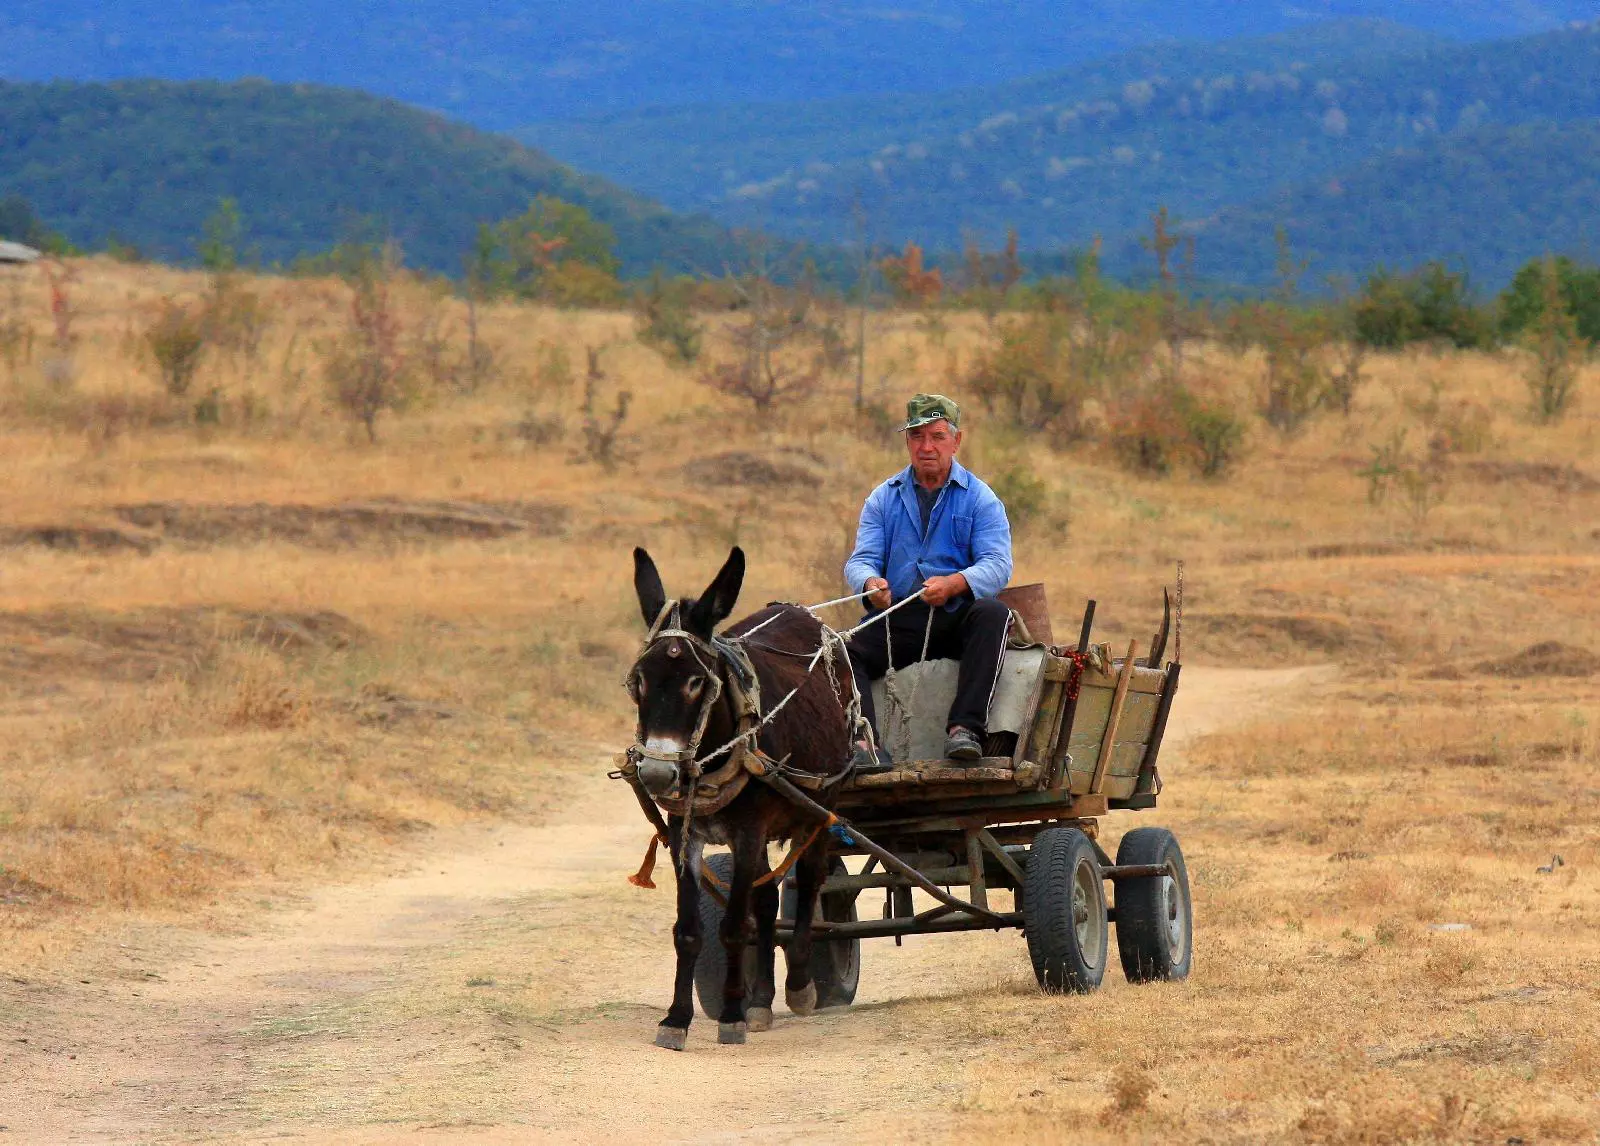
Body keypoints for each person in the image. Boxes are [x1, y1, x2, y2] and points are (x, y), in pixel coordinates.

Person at [843, 393, 1013, 773]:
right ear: (907, 442)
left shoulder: (981, 499)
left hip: (957, 618)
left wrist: (955, 583)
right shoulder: (882, 499)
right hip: (901, 619)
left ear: (956, 441)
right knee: (843, 649)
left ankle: (965, 730)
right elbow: (861, 560)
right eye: (917, 437)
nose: (926, 447)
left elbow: (998, 564)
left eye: (937, 436)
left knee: (994, 614)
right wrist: (870, 582)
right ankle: (864, 742)